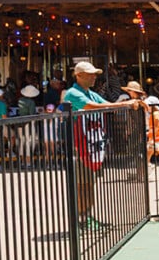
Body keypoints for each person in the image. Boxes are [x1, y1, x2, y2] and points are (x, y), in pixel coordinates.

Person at [62, 61, 146, 232]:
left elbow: (106, 104)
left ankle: (87, 216)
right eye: (90, 74)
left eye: (94, 73)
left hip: (91, 145)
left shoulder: (89, 92)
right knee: (81, 183)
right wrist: (124, 104)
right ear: (78, 75)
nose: (94, 77)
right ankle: (81, 219)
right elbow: (92, 107)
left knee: (89, 183)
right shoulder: (73, 93)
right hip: (80, 147)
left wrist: (131, 102)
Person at [16, 84, 40, 168]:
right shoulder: (31, 102)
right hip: (28, 123)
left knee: (22, 141)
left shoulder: (20, 100)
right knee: (30, 141)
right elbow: (32, 114)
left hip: (20, 123)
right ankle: (29, 162)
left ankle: (22, 162)